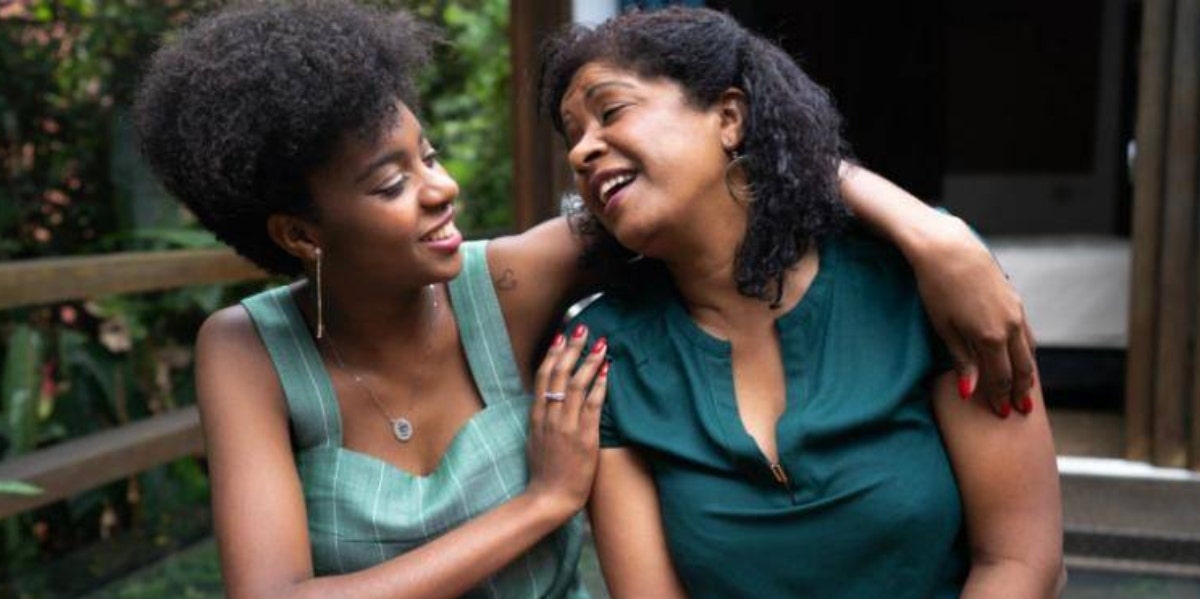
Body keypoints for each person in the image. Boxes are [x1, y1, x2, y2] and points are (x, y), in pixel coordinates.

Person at [134, 2, 1041, 598]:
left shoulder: (510, 284)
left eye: (432, 156)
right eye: (389, 183)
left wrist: (935, 233)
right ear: (300, 233)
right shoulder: (248, 350)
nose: (440, 190)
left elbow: (727, 183)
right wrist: (541, 501)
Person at [542, 7, 1062, 599]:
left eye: (610, 112)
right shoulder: (609, 355)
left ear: (729, 118)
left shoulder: (916, 280)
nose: (582, 151)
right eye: (572, 136)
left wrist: (935, 236)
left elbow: (1021, 561)